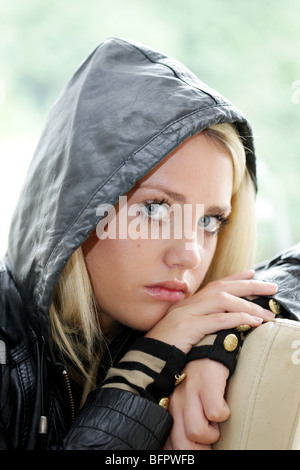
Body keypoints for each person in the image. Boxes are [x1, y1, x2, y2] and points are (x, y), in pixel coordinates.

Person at [0, 37, 287, 450]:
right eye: (155, 209)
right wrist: (142, 377)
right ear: (77, 208)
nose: (189, 253)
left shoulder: (164, 323)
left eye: (210, 220)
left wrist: (224, 334)